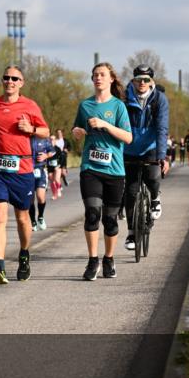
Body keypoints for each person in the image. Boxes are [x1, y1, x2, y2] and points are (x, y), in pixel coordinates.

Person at [0, 65, 50, 284]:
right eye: (6, 77)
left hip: (22, 170)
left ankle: (24, 254)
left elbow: (45, 131)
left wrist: (30, 130)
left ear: (21, 83)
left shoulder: (29, 105)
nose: (9, 81)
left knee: (22, 218)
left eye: (14, 78)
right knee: (0, 215)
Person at [71, 62, 132, 281]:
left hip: (114, 170)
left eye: (102, 75)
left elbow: (128, 137)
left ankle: (109, 258)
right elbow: (77, 129)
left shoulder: (118, 107)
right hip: (91, 168)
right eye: (95, 75)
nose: (98, 78)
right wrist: (77, 132)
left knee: (110, 219)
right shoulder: (85, 105)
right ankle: (92, 260)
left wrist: (105, 125)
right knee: (92, 214)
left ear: (111, 79)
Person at [122, 65, 170, 252]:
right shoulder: (124, 98)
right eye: (138, 79)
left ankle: (155, 197)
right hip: (129, 148)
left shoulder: (159, 99)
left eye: (146, 80)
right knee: (131, 192)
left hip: (151, 147)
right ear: (133, 81)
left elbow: (162, 128)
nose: (142, 83)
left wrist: (161, 156)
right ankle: (132, 232)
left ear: (152, 82)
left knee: (152, 176)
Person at [30, 134, 56, 231]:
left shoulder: (44, 139)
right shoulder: (24, 138)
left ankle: (40, 217)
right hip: (27, 171)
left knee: (41, 197)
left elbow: (52, 151)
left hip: (40, 170)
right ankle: (33, 221)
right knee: (30, 200)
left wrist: (46, 155)